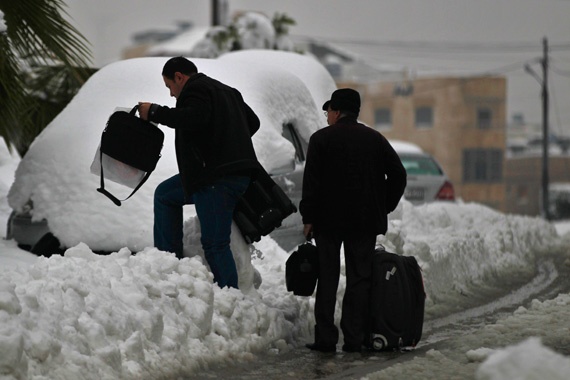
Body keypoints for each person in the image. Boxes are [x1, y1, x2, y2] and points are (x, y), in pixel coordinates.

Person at [138, 56, 260, 289]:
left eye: (170, 87)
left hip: (216, 178)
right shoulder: (228, 91)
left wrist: (154, 111)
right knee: (165, 194)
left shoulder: (195, 90)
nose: (172, 95)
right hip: (228, 174)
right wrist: (228, 141)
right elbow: (252, 122)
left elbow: (192, 117)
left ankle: (231, 300)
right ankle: (168, 264)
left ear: (179, 77)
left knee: (215, 244)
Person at [300, 88, 407, 352]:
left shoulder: (321, 140)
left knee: (327, 277)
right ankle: (354, 338)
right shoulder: (375, 140)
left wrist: (309, 217)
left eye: (328, 111)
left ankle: (325, 338)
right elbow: (398, 175)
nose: (327, 116)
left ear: (336, 111)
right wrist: (383, 206)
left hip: (328, 221)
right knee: (360, 278)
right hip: (364, 221)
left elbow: (311, 184)